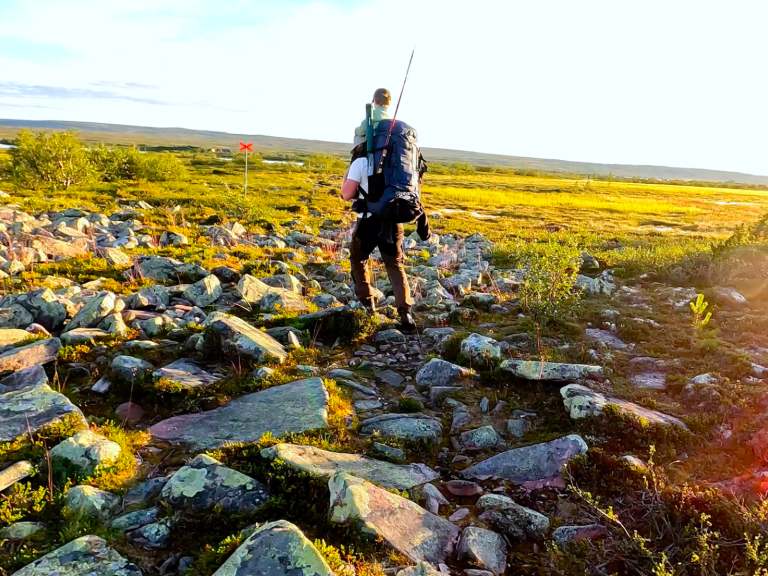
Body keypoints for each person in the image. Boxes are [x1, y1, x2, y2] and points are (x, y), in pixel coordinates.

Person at [341, 143, 416, 332]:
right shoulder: (399, 162)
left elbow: (347, 194)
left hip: (368, 221)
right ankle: (405, 314)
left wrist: (346, 176)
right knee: (395, 265)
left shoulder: (361, 162)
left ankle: (367, 307)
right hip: (393, 221)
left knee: (358, 259)